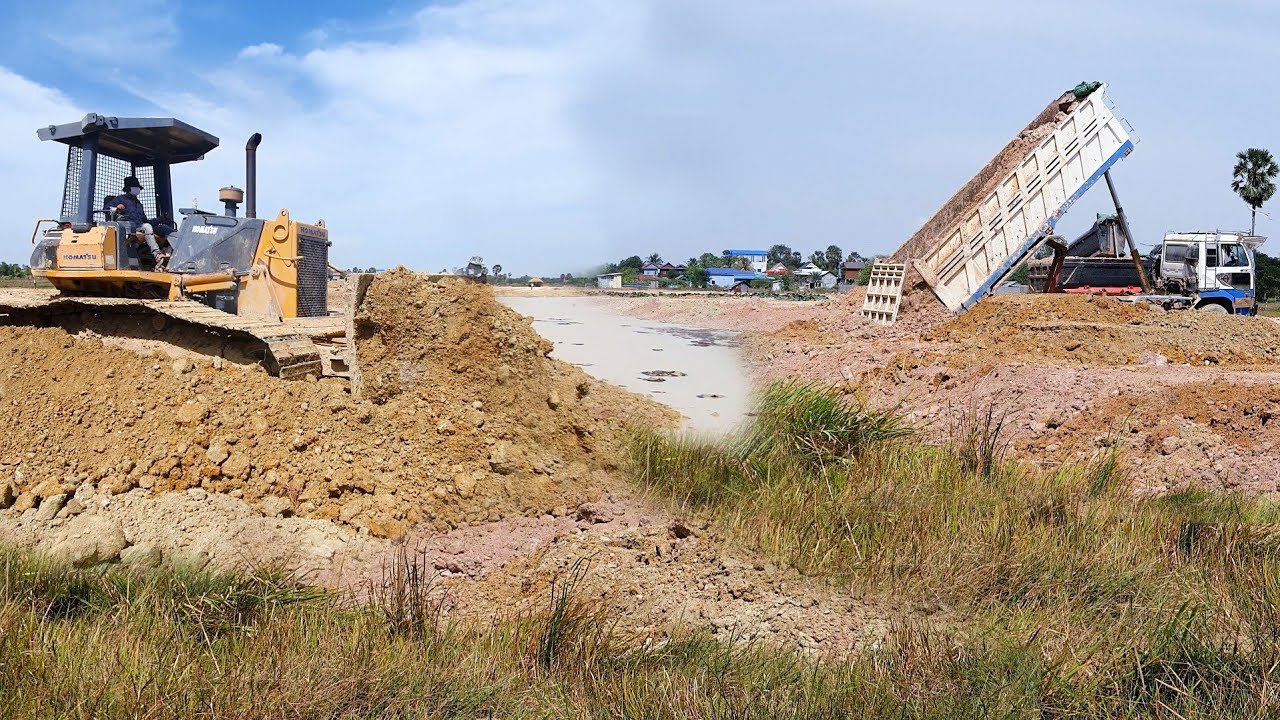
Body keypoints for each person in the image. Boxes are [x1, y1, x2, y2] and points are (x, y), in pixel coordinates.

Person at [104, 176, 173, 269]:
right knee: (147, 227)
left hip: (141, 226)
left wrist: (160, 219)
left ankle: (173, 252)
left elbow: (145, 221)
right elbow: (106, 209)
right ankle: (157, 254)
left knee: (163, 228)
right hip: (129, 228)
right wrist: (117, 208)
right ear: (128, 188)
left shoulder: (139, 204)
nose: (137, 189)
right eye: (135, 187)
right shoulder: (120, 199)